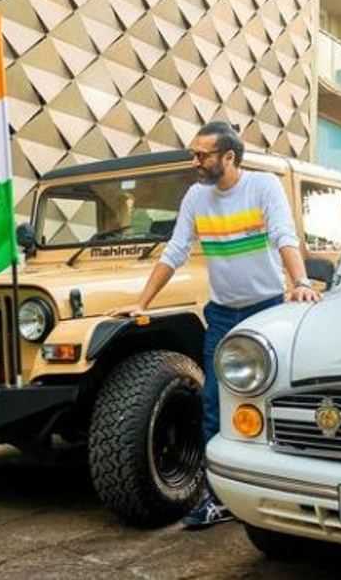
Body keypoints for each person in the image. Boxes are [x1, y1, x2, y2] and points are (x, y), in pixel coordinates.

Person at [111, 121, 320, 528]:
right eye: (194, 153)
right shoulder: (196, 196)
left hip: (268, 310)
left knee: (272, 401)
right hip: (223, 313)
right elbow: (175, 250)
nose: (195, 161)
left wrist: (300, 283)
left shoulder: (263, 187)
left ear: (229, 157)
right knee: (213, 404)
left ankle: (277, 488)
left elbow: (283, 235)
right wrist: (141, 302)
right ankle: (217, 497)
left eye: (202, 154)